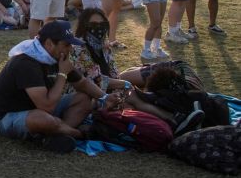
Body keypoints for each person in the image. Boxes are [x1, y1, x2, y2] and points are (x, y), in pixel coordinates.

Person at [0, 21, 113, 153]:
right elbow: (47, 106)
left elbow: (82, 83)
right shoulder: (27, 63)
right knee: (44, 119)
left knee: (85, 98)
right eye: (66, 44)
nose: (70, 49)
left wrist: (105, 97)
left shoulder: (54, 56)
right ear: (49, 44)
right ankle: (78, 134)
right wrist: (62, 74)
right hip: (7, 118)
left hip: (40, 110)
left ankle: (54, 134)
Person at [69, 9, 201, 134]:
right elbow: (96, 80)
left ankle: (174, 120)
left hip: (105, 91)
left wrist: (121, 86)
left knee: (132, 99)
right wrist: (123, 84)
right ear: (84, 25)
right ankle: (173, 120)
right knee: (132, 99)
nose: (98, 28)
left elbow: (113, 73)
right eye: (93, 24)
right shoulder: (79, 49)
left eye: (102, 24)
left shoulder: (104, 47)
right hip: (86, 96)